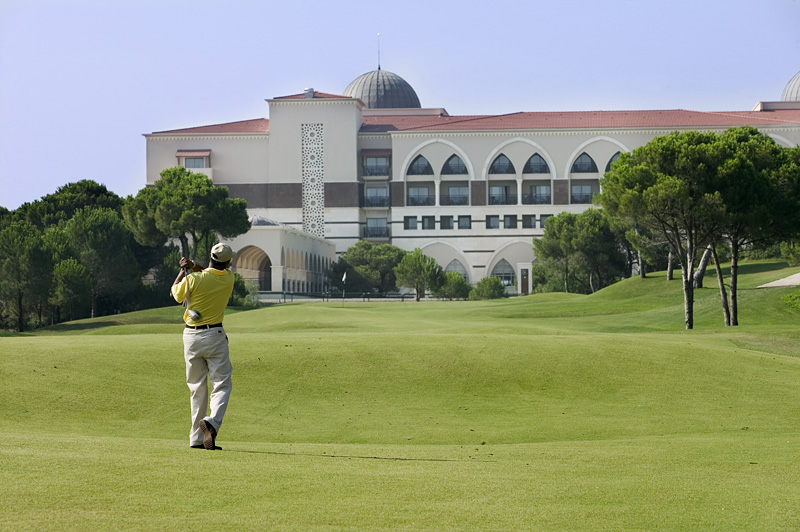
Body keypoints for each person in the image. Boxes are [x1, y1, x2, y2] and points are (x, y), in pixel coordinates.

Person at [170, 243, 236, 450]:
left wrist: (182, 271)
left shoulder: (192, 279)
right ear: (228, 262)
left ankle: (196, 439)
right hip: (215, 335)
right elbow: (212, 273)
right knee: (222, 384)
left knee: (197, 388)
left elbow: (174, 294)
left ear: (210, 256)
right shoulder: (229, 279)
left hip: (191, 336)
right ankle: (212, 422)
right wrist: (195, 266)